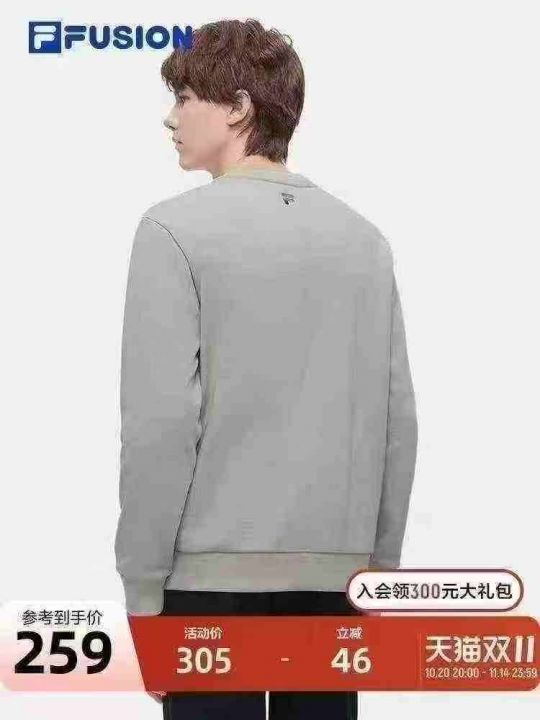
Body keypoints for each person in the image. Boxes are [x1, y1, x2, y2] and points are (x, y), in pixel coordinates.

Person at [114, 17, 418, 720]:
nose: (171, 117)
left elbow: (160, 427)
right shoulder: (364, 241)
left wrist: (143, 590)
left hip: (208, 584)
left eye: (185, 97)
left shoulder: (172, 232)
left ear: (239, 107)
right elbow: (396, 422)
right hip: (336, 579)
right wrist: (380, 574)